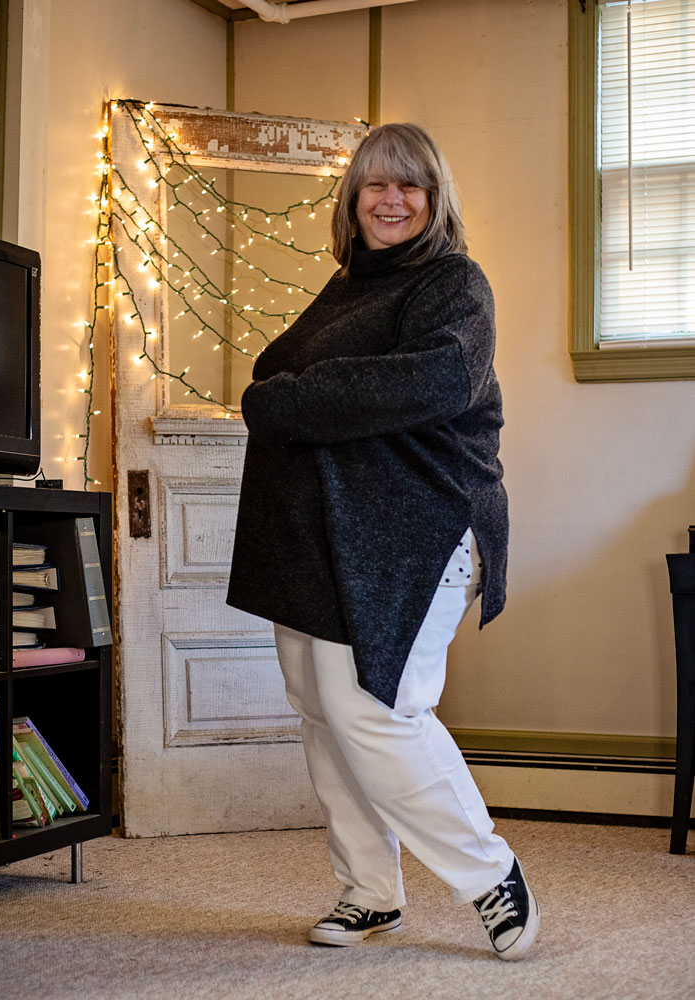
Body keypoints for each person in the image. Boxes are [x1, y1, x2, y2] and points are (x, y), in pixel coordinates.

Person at [227, 122, 540, 961]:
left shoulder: (452, 284)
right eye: (374, 184)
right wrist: (292, 395)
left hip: (420, 526)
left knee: (376, 709)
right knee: (322, 713)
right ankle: (370, 892)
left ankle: (490, 875)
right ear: (351, 199)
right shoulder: (343, 292)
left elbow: (430, 381)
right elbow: (267, 378)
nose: (391, 199)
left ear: (434, 200)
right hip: (325, 533)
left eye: (409, 185)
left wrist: (301, 396)